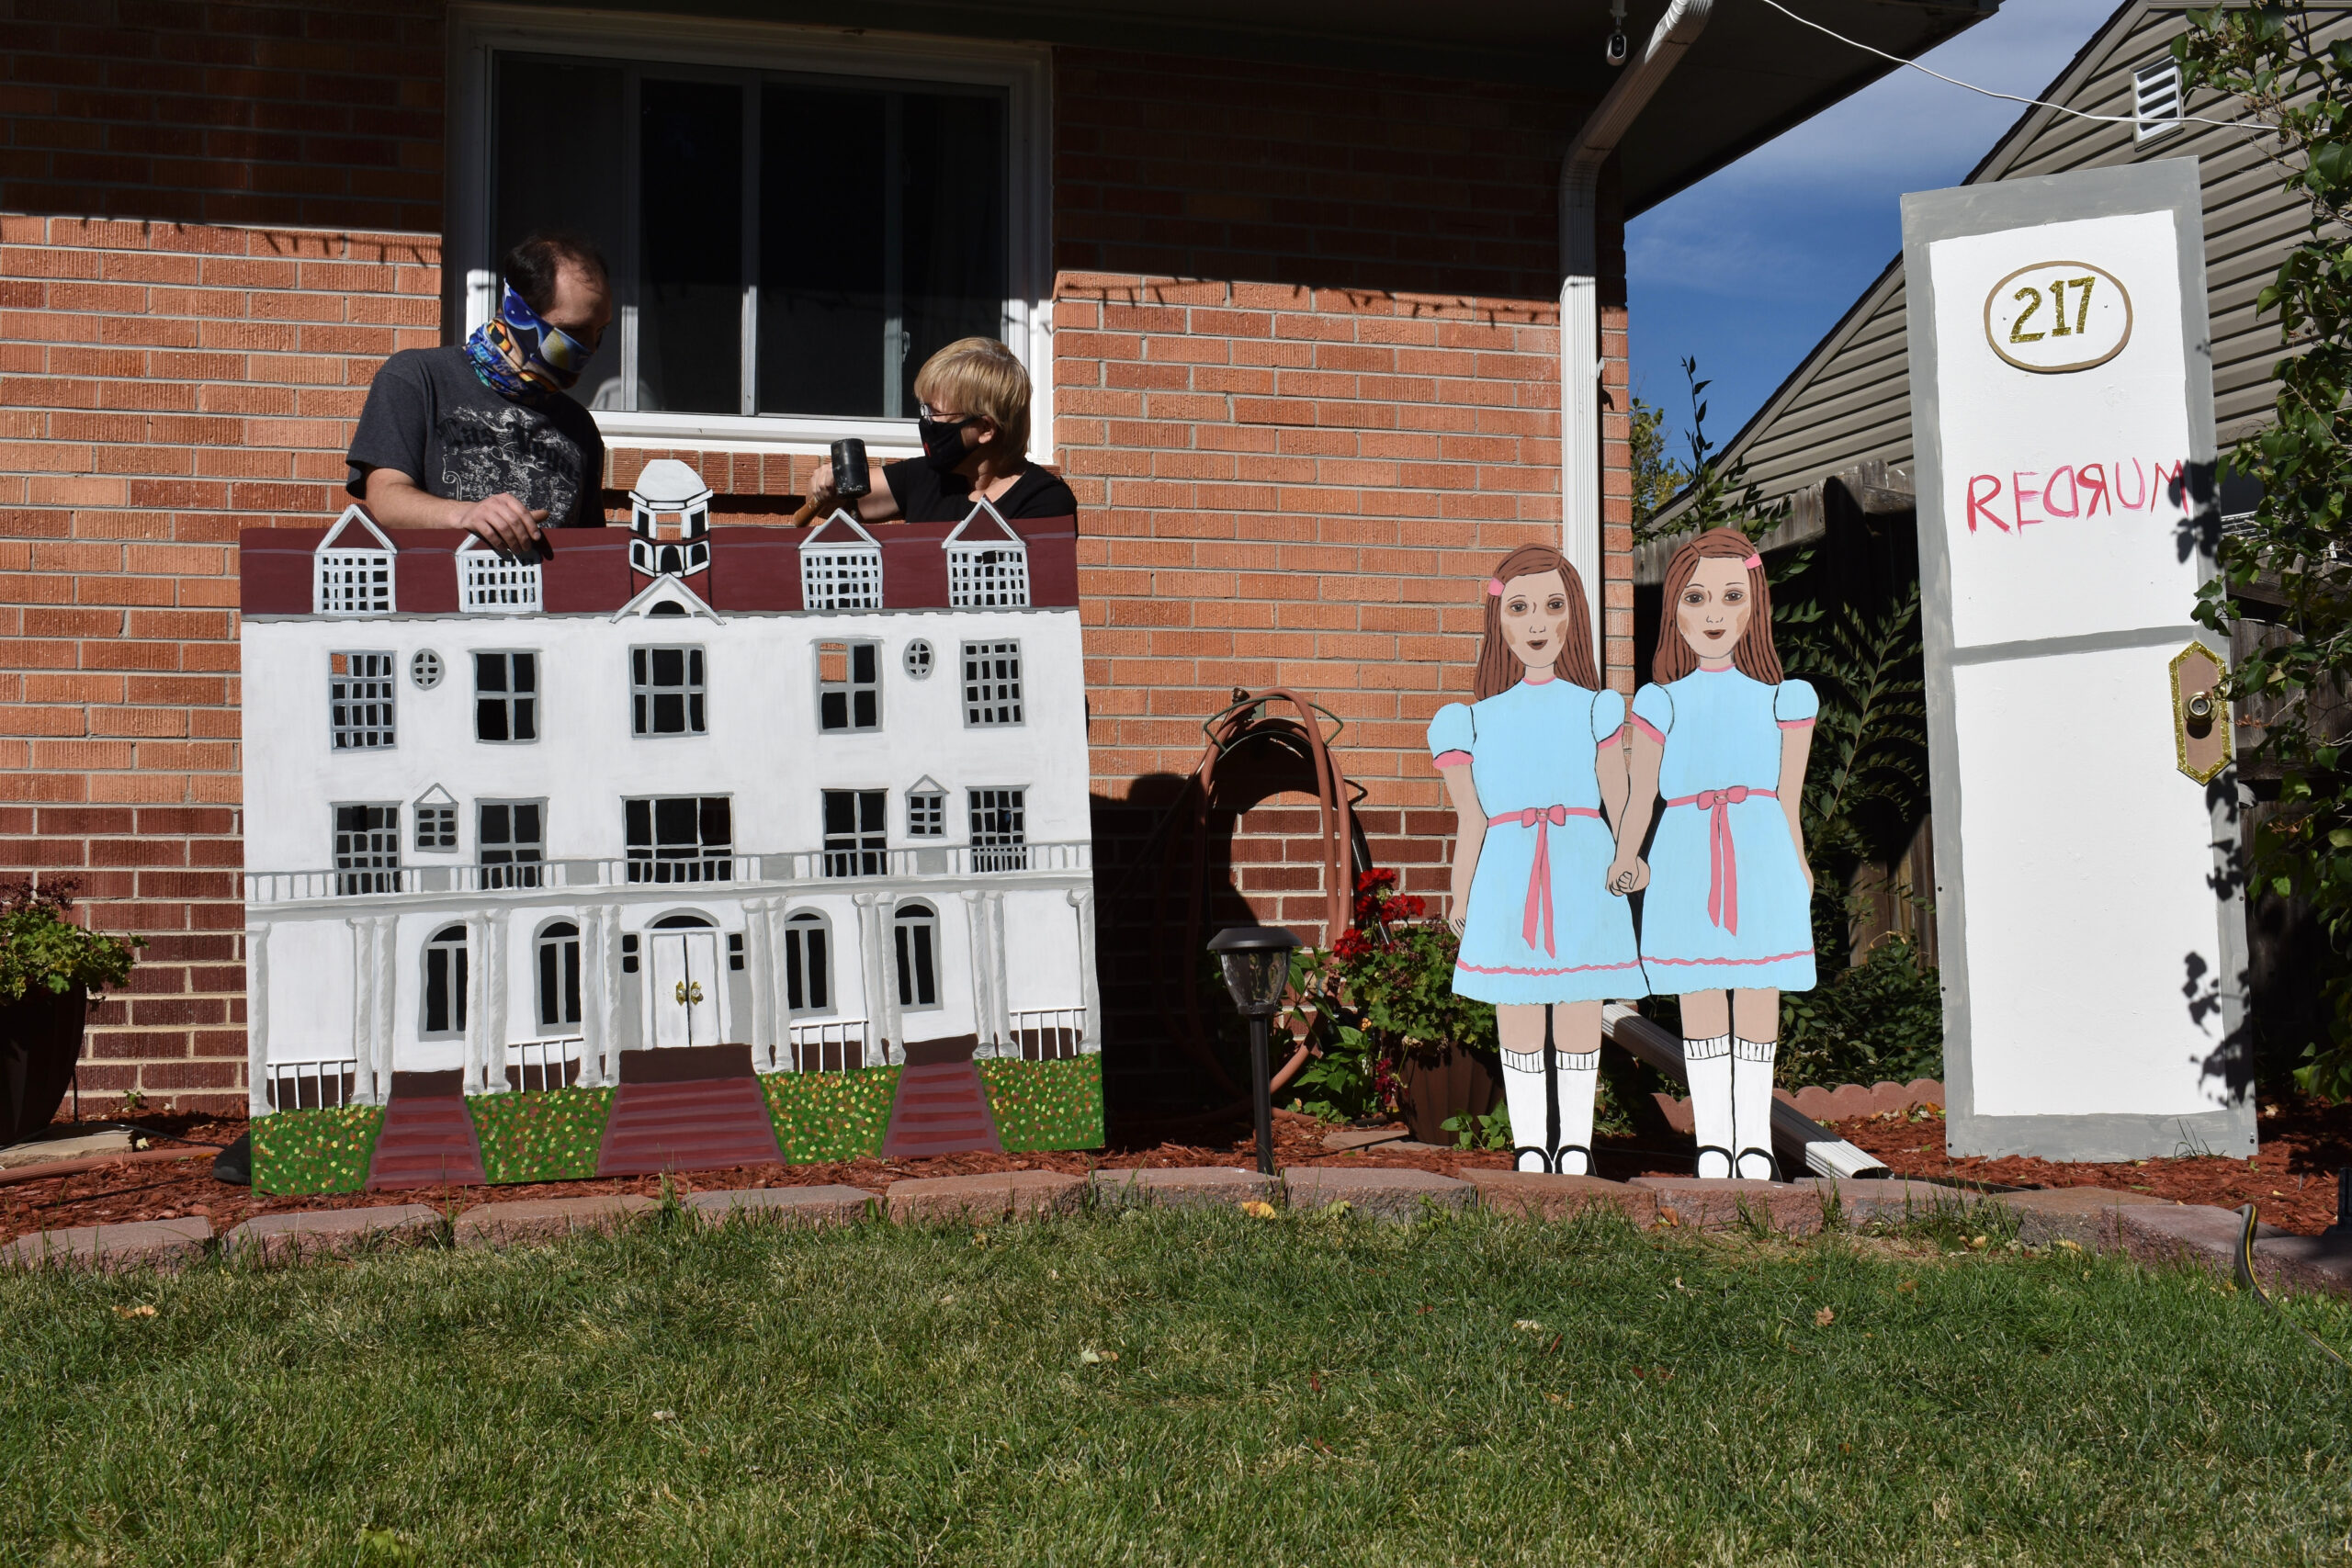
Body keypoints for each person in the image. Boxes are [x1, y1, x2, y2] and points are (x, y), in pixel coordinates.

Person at [1606, 527, 1818, 1182]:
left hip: (1761, 854)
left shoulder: (1787, 700)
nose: (1715, 613)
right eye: (1697, 598)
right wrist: (1627, 855)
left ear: (1756, 604)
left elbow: (1789, 799)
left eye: (1732, 595)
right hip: (1686, 857)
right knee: (1700, 999)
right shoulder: (1658, 702)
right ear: (1675, 610)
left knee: (1756, 994)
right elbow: (1642, 796)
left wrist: (1800, 866)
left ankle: (1753, 1140)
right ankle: (1714, 1143)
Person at [1427, 545, 1645, 1177]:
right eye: (1520, 608)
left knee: (1578, 1005)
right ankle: (1530, 1144)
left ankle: (1573, 1143)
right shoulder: (1469, 721)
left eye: (1553, 605)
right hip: (1507, 872)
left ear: (1574, 615)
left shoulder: (1597, 708)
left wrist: (1630, 857)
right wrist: (1461, 893)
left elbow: (1618, 794)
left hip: (1581, 864)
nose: (1537, 622)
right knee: (1518, 1010)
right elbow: (1474, 817)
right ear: (1499, 621)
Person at [345, 231, 612, 553]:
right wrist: (467, 515)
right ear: (518, 313)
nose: (590, 350)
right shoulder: (416, 378)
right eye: (572, 334)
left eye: (599, 333)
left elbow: (585, 550)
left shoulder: (579, 426)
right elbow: (386, 498)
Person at [802, 337, 1076, 522]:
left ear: (985, 428)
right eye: (924, 410)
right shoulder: (928, 476)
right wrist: (825, 487)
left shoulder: (1045, 502)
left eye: (935, 412)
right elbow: (840, 504)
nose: (926, 422)